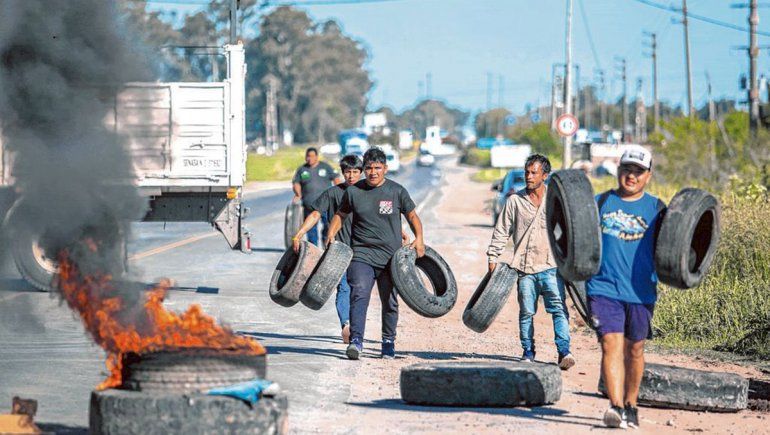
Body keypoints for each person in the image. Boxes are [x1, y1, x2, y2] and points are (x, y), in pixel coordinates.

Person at [587, 146, 665, 429]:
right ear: (618, 170)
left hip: (641, 290)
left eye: (638, 171)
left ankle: (631, 405)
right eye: (627, 169)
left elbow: (674, 250)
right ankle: (616, 406)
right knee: (611, 343)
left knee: (635, 349)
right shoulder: (600, 202)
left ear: (648, 176)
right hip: (603, 287)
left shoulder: (658, 209)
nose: (632, 176)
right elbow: (576, 242)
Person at [327, 147, 424, 360]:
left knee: (389, 300)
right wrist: (331, 234)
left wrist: (419, 238)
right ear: (364, 169)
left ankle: (388, 342)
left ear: (385, 169)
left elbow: (412, 216)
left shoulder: (397, 191)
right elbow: (340, 215)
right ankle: (356, 341)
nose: (373, 172)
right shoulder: (354, 192)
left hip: (391, 258)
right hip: (362, 254)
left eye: (377, 168)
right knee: (359, 293)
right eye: (369, 168)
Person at [486, 154, 575, 370]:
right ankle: (528, 351)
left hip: (551, 266)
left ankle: (564, 352)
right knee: (526, 312)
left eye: (534, 173)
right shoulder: (515, 201)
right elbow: (502, 231)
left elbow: (570, 231)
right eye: (527, 172)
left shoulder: (555, 201)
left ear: (545, 175)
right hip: (524, 268)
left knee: (558, 310)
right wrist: (493, 256)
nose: (528, 176)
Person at [292, 155, 363, 343]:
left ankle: (359, 326)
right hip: (339, 250)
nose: (351, 176)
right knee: (344, 287)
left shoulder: (368, 192)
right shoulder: (332, 193)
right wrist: (299, 234)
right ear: (342, 173)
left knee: (361, 290)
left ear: (361, 172)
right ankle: (346, 324)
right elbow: (315, 214)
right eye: (347, 172)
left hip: (365, 250)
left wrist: (400, 233)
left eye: (355, 172)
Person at [292, 147, 341, 246]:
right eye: (308, 156)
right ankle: (313, 248)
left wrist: (339, 192)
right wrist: (298, 194)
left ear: (317, 157)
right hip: (309, 205)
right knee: (311, 230)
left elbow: (336, 179)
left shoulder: (325, 167)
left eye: (312, 156)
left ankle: (325, 246)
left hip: (326, 205)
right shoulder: (302, 170)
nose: (310, 158)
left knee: (328, 226)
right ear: (305, 157)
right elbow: (296, 183)